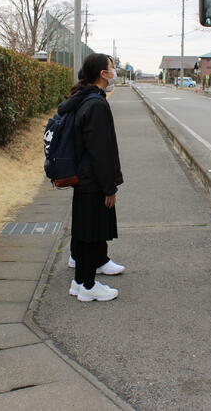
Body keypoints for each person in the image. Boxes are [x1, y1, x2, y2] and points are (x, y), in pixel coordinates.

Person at [56, 53, 125, 302]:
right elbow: (101, 151)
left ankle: (80, 283)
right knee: (93, 233)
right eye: (111, 67)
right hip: (93, 179)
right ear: (102, 74)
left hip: (83, 177)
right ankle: (87, 286)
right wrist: (110, 187)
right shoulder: (96, 104)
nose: (114, 70)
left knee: (86, 232)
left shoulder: (84, 99)